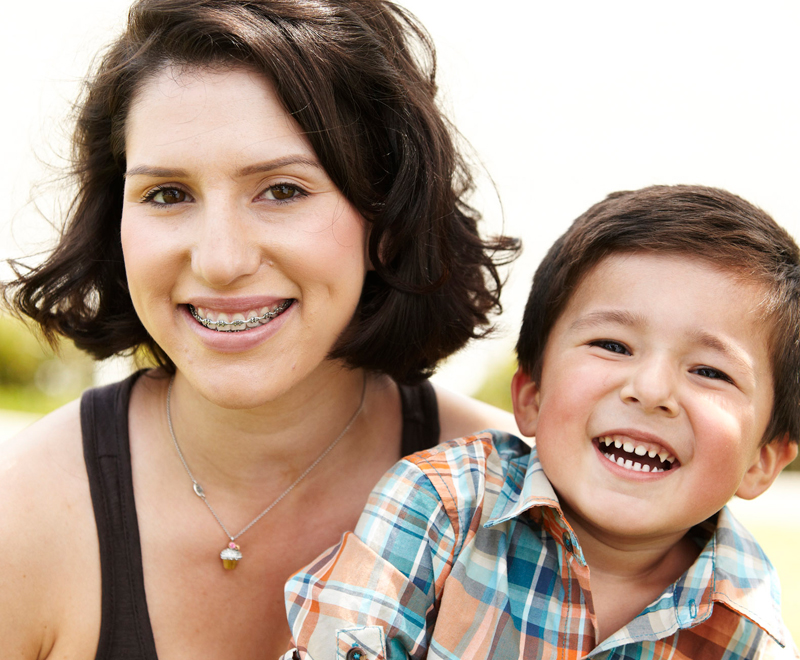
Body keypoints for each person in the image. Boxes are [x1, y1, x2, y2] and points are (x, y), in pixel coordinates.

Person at [0, 1, 520, 657]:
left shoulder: (522, 505)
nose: (220, 261)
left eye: (281, 190)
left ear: (388, 217)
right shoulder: (19, 515)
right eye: (167, 194)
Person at [285, 184, 800, 659]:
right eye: (612, 345)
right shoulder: (442, 505)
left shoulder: (752, 630)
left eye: (710, 371)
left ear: (763, 460)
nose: (650, 390)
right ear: (530, 395)